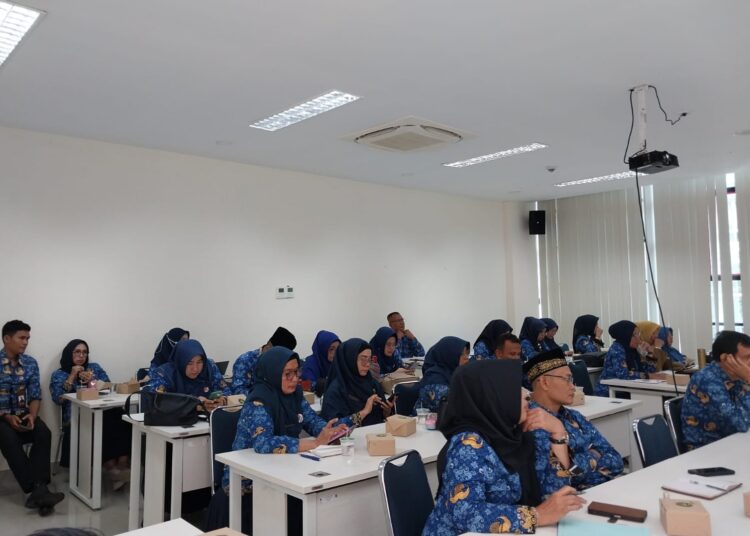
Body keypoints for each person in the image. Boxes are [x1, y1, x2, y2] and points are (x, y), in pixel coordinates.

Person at [422, 359, 584, 535]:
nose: (526, 395)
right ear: (493, 395)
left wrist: (558, 433)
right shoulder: (468, 445)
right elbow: (466, 514)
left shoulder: (520, 434)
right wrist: (537, 515)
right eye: (515, 389)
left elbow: (556, 494)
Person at [208, 347, 350, 533]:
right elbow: (263, 442)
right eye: (287, 374)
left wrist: (329, 431)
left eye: (296, 372)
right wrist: (315, 443)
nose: (294, 379)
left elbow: (311, 420)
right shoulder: (258, 400)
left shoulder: (295, 394)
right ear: (273, 373)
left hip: (284, 474)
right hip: (248, 487)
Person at [524, 349, 623, 490]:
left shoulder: (574, 416)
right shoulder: (532, 423)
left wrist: (573, 463)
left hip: (598, 493)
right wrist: (594, 455)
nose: (573, 387)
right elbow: (559, 481)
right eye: (567, 379)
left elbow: (616, 461)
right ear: (544, 382)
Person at [0, 320, 64, 516]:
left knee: (43, 432)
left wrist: (32, 415)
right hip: (1, 418)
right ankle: (37, 490)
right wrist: (7, 417)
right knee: (9, 438)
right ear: (6, 339)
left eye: (28, 338)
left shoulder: (30, 363)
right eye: (22, 337)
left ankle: (39, 490)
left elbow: (35, 395)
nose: (26, 342)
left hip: (23, 413)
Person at [49, 339, 131, 489]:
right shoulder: (59, 374)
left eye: (84, 352)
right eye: (77, 352)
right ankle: (112, 469)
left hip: (102, 409)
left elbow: (108, 387)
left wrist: (92, 380)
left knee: (121, 416)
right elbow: (58, 399)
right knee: (103, 422)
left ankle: (122, 466)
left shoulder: (94, 368)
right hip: (76, 417)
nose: (81, 355)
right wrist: (72, 376)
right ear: (69, 354)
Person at [681, 330, 750, 450]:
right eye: (748, 357)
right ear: (726, 359)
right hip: (705, 452)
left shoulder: (737, 377)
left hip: (731, 444)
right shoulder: (707, 380)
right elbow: (741, 425)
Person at [321, 338, 394, 426]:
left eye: (369, 359)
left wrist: (387, 412)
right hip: (349, 439)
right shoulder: (336, 390)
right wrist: (364, 412)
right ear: (350, 359)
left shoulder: (373, 384)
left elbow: (380, 419)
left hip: (375, 435)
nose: (367, 364)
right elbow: (333, 426)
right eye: (363, 359)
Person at [147, 339, 230, 410]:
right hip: (175, 424)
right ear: (180, 361)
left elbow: (226, 391)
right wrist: (194, 403)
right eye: (189, 363)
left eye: (199, 362)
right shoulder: (164, 373)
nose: (195, 368)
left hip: (208, 421)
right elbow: (157, 402)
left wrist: (223, 400)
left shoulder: (209, 367)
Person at [594, 321, 656, 397]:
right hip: (609, 393)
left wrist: (649, 354)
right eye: (636, 334)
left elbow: (650, 371)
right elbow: (623, 375)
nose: (639, 338)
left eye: (639, 334)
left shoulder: (634, 350)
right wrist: (647, 376)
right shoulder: (617, 349)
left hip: (628, 389)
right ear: (626, 336)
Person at [231, 326, 297, 396]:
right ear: (268, 348)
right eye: (278, 355)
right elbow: (238, 390)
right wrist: (264, 396)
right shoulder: (245, 361)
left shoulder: (282, 363)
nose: (280, 360)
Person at [415, 337, 470, 413]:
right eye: (462, 354)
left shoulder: (453, 373)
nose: (467, 358)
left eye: (467, 354)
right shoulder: (435, 380)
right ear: (450, 355)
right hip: (425, 422)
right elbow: (446, 412)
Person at [300, 330, 340, 394]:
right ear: (323, 349)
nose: (335, 353)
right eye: (331, 349)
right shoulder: (309, 365)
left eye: (338, 349)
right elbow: (305, 385)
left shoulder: (337, 363)